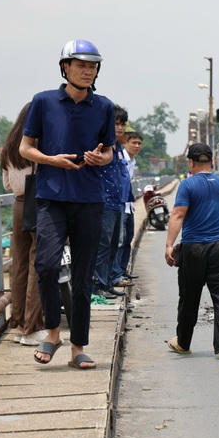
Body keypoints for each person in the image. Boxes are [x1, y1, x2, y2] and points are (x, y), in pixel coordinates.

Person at [19, 39, 115, 369]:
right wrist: (50, 160)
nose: (88, 71)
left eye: (93, 66)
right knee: (46, 265)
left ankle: (78, 347)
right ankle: (52, 332)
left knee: (84, 275)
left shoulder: (103, 106)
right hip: (50, 197)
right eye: (82, 65)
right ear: (65, 68)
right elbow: (25, 148)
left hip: (89, 198)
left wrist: (99, 158)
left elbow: (109, 153)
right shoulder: (43, 102)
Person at [164, 142, 219, 359]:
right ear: (212, 162)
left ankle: (183, 343)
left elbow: (178, 215)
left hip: (194, 248)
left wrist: (169, 245)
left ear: (190, 162)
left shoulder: (188, 185)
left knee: (189, 297)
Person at [0, 103, 47, 346]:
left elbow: (7, 184)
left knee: (18, 265)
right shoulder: (39, 144)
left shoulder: (9, 146)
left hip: (18, 203)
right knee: (38, 264)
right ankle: (32, 328)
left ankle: (18, 323)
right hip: (40, 202)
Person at [92, 104, 131, 298]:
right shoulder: (102, 146)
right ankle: (98, 284)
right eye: (116, 123)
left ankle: (106, 283)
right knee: (103, 244)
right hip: (103, 201)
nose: (120, 128)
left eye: (122, 124)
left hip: (117, 202)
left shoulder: (118, 148)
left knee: (114, 244)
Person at [112, 129, 143, 287]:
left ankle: (122, 270)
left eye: (139, 143)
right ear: (126, 143)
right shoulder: (120, 157)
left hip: (129, 205)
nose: (137, 146)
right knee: (119, 240)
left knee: (127, 238)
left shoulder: (132, 161)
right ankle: (115, 275)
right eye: (134, 143)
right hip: (120, 204)